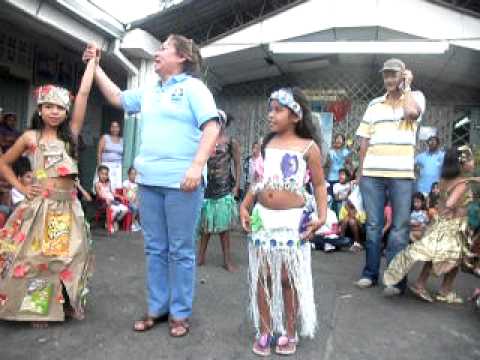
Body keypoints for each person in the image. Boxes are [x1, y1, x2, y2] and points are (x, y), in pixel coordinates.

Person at [83, 34, 220, 337]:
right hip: (149, 181)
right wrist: (95, 65)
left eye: (163, 49)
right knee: (155, 248)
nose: (156, 54)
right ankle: (157, 308)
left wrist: (197, 167)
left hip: (183, 182)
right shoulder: (150, 90)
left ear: (181, 57)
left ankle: (180, 313)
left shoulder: (193, 89)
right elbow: (117, 98)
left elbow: (212, 126)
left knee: (181, 250)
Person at [0, 52, 96, 326]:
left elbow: (85, 93)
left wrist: (92, 63)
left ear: (66, 112)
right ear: (39, 110)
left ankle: (65, 303)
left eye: (60, 108)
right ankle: (38, 310)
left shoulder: (71, 136)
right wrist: (20, 186)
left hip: (66, 207)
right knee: (40, 259)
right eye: (48, 106)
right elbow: (4, 163)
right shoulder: (31, 137)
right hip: (41, 207)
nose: (54, 112)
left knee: (69, 256)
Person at [240, 87, 327, 356]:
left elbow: (321, 185)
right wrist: (245, 205)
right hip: (264, 218)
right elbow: (259, 182)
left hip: (292, 221)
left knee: (289, 278)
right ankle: (265, 330)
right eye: (270, 109)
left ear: (295, 115)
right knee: (264, 275)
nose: (271, 115)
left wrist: (322, 216)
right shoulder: (267, 145)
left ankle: (290, 330)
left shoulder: (309, 148)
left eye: (278, 110)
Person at [354, 58, 426, 297]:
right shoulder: (374, 104)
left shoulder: (416, 98)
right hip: (372, 174)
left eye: (394, 74)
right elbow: (364, 140)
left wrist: (407, 88)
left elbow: (412, 114)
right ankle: (370, 273)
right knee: (373, 226)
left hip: (401, 175)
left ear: (403, 75)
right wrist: (361, 173)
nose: (389, 79)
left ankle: (395, 280)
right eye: (386, 75)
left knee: (399, 228)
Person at [384, 146, 477, 304]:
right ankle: (441, 290)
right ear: (462, 163)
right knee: (454, 257)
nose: (473, 162)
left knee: (436, 255)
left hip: (442, 223)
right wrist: (454, 209)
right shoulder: (462, 183)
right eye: (471, 159)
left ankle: (430, 286)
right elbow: (450, 202)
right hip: (453, 226)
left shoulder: (445, 179)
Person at [198, 110, 241, 272]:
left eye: (218, 121)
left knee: (224, 228)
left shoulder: (231, 142)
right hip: (208, 186)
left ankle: (227, 260)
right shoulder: (205, 140)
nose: (216, 124)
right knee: (205, 225)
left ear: (223, 123)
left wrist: (236, 186)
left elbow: (237, 164)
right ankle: (200, 257)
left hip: (224, 187)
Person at [95, 165, 128, 233]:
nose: (104, 176)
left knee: (125, 209)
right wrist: (105, 199)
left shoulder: (108, 183)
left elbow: (112, 193)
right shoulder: (97, 184)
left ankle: (115, 221)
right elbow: (99, 195)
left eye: (106, 174)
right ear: (98, 174)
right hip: (104, 203)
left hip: (113, 201)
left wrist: (120, 196)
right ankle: (109, 222)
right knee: (115, 210)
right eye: (102, 174)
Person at [97, 120, 123, 191]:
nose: (115, 129)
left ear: (119, 128)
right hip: (106, 166)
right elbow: (99, 153)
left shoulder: (122, 140)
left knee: (116, 188)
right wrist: (99, 167)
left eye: (117, 127)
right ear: (110, 128)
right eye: (113, 127)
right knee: (104, 188)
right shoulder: (105, 137)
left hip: (117, 167)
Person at [122, 166, 141, 231]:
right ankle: (132, 223)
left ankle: (137, 222)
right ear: (128, 175)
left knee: (141, 207)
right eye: (132, 174)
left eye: (135, 174)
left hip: (136, 201)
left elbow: (138, 194)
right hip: (128, 202)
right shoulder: (126, 182)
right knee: (135, 207)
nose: (133, 176)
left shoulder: (137, 184)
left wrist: (137, 200)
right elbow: (124, 194)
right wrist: (129, 200)